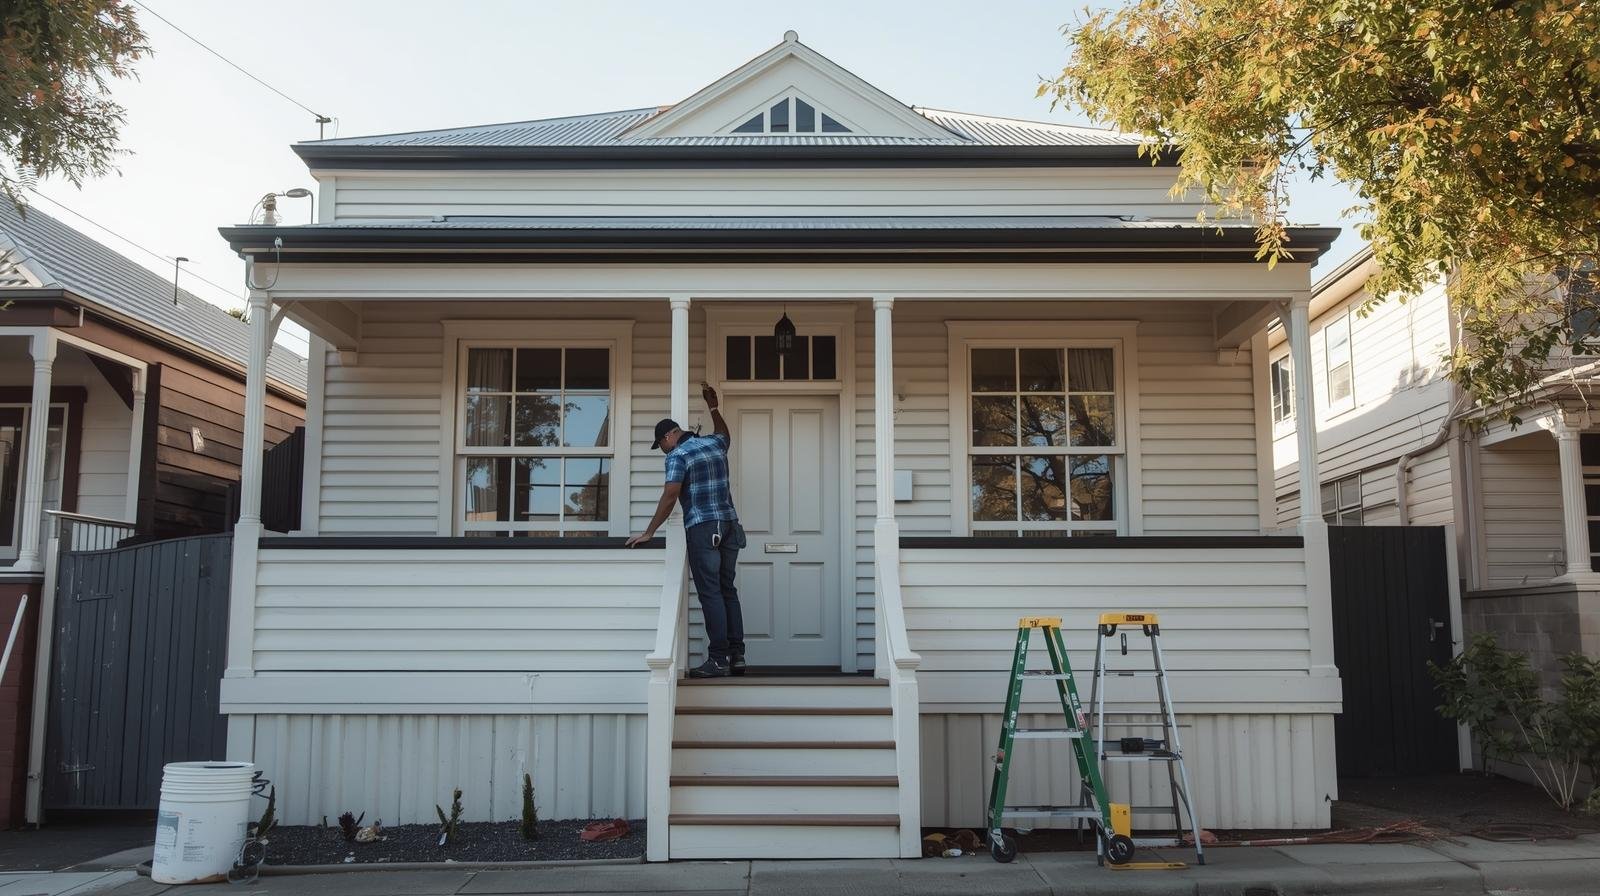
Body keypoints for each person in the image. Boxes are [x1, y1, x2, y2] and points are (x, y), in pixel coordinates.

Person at [627, 383, 745, 678]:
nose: (661, 451)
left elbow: (670, 495)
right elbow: (725, 434)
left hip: (704, 528)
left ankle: (718, 660)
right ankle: (737, 656)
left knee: (711, 594)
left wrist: (650, 531)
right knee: (728, 590)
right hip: (729, 525)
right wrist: (714, 407)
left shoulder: (676, 456)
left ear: (669, 436)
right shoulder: (714, 444)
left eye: (660, 444)